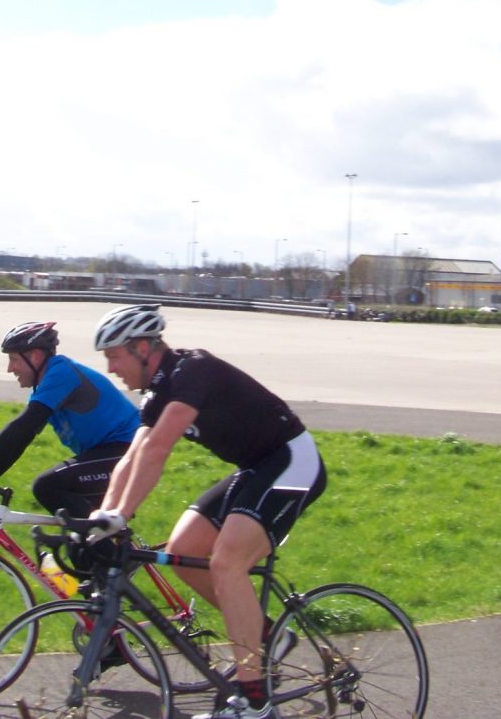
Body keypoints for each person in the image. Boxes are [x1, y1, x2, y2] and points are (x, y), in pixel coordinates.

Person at [88, 303, 327, 719]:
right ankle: (267, 635)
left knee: (227, 562)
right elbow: (133, 456)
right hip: (255, 467)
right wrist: (103, 515)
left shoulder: (192, 370)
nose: (111, 368)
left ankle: (253, 701)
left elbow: (159, 448)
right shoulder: (155, 394)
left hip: (292, 460)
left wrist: (123, 514)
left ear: (143, 348)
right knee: (183, 550)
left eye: (114, 356)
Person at [0, 321, 141, 517]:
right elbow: (20, 441)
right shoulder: (48, 385)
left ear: (36, 356)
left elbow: (23, 426)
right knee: (78, 528)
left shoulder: (62, 373)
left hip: (127, 450)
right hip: (110, 453)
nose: (10, 368)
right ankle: (104, 537)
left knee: (47, 486)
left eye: (14, 359)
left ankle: (104, 537)